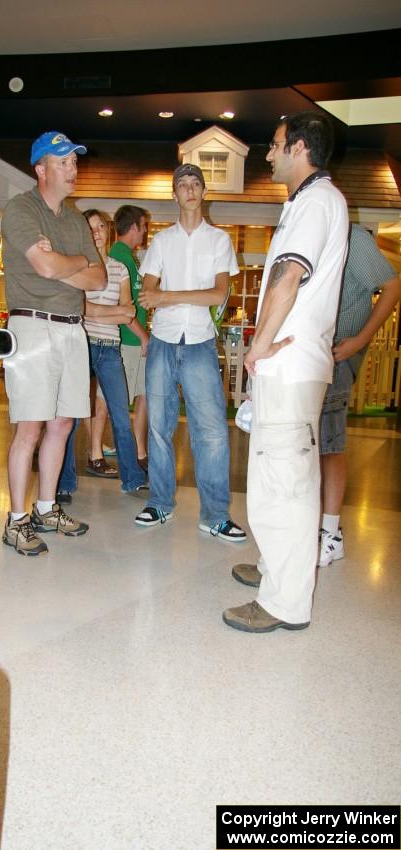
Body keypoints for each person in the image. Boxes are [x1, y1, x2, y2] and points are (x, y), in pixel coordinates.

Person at [224, 110, 349, 633]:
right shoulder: (309, 201)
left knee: (289, 481)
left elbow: (288, 277)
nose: (269, 154)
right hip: (291, 364)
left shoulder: (318, 200)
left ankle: (285, 602)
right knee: (277, 474)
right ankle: (278, 568)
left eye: (276, 146)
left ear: (300, 148)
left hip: (289, 362)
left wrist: (260, 345)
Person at [0, 131, 106, 556]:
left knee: (62, 424)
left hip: (71, 328)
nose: (73, 168)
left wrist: (67, 263)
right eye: (63, 162)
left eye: (74, 162)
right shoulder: (20, 209)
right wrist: (73, 264)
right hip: (33, 326)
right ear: (40, 169)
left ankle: (47, 508)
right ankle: (17, 519)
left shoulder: (76, 220)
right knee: (30, 426)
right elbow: (42, 267)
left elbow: (97, 279)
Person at [134, 163, 246, 543]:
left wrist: (167, 296)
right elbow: (146, 295)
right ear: (175, 194)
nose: (190, 189)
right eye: (183, 184)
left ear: (203, 192)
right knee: (158, 428)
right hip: (164, 341)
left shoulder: (219, 240)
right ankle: (160, 503)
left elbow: (218, 295)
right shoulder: (161, 243)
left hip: (199, 341)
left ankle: (215, 515)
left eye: (196, 183)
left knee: (212, 432)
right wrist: (164, 298)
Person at [319, 224, 401, 566]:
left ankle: (331, 533)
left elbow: (393, 286)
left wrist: (360, 339)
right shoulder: (311, 230)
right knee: (309, 446)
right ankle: (318, 527)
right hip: (310, 355)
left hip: (336, 355)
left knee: (330, 445)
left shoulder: (352, 236)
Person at [58, 210, 146, 498]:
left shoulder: (119, 269)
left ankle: (131, 478)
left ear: (107, 231)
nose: (96, 232)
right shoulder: (77, 269)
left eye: (99, 227)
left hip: (110, 350)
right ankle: (64, 483)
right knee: (70, 417)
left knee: (121, 415)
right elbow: (80, 309)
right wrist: (112, 312)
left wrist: (100, 312)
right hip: (80, 346)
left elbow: (128, 312)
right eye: (90, 227)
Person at [109, 205, 150, 470]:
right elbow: (122, 307)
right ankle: (134, 454)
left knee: (143, 395)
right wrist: (143, 336)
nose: (145, 231)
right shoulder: (118, 256)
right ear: (134, 226)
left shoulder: (128, 256)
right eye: (144, 225)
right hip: (128, 340)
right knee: (122, 401)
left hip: (135, 340)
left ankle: (139, 451)